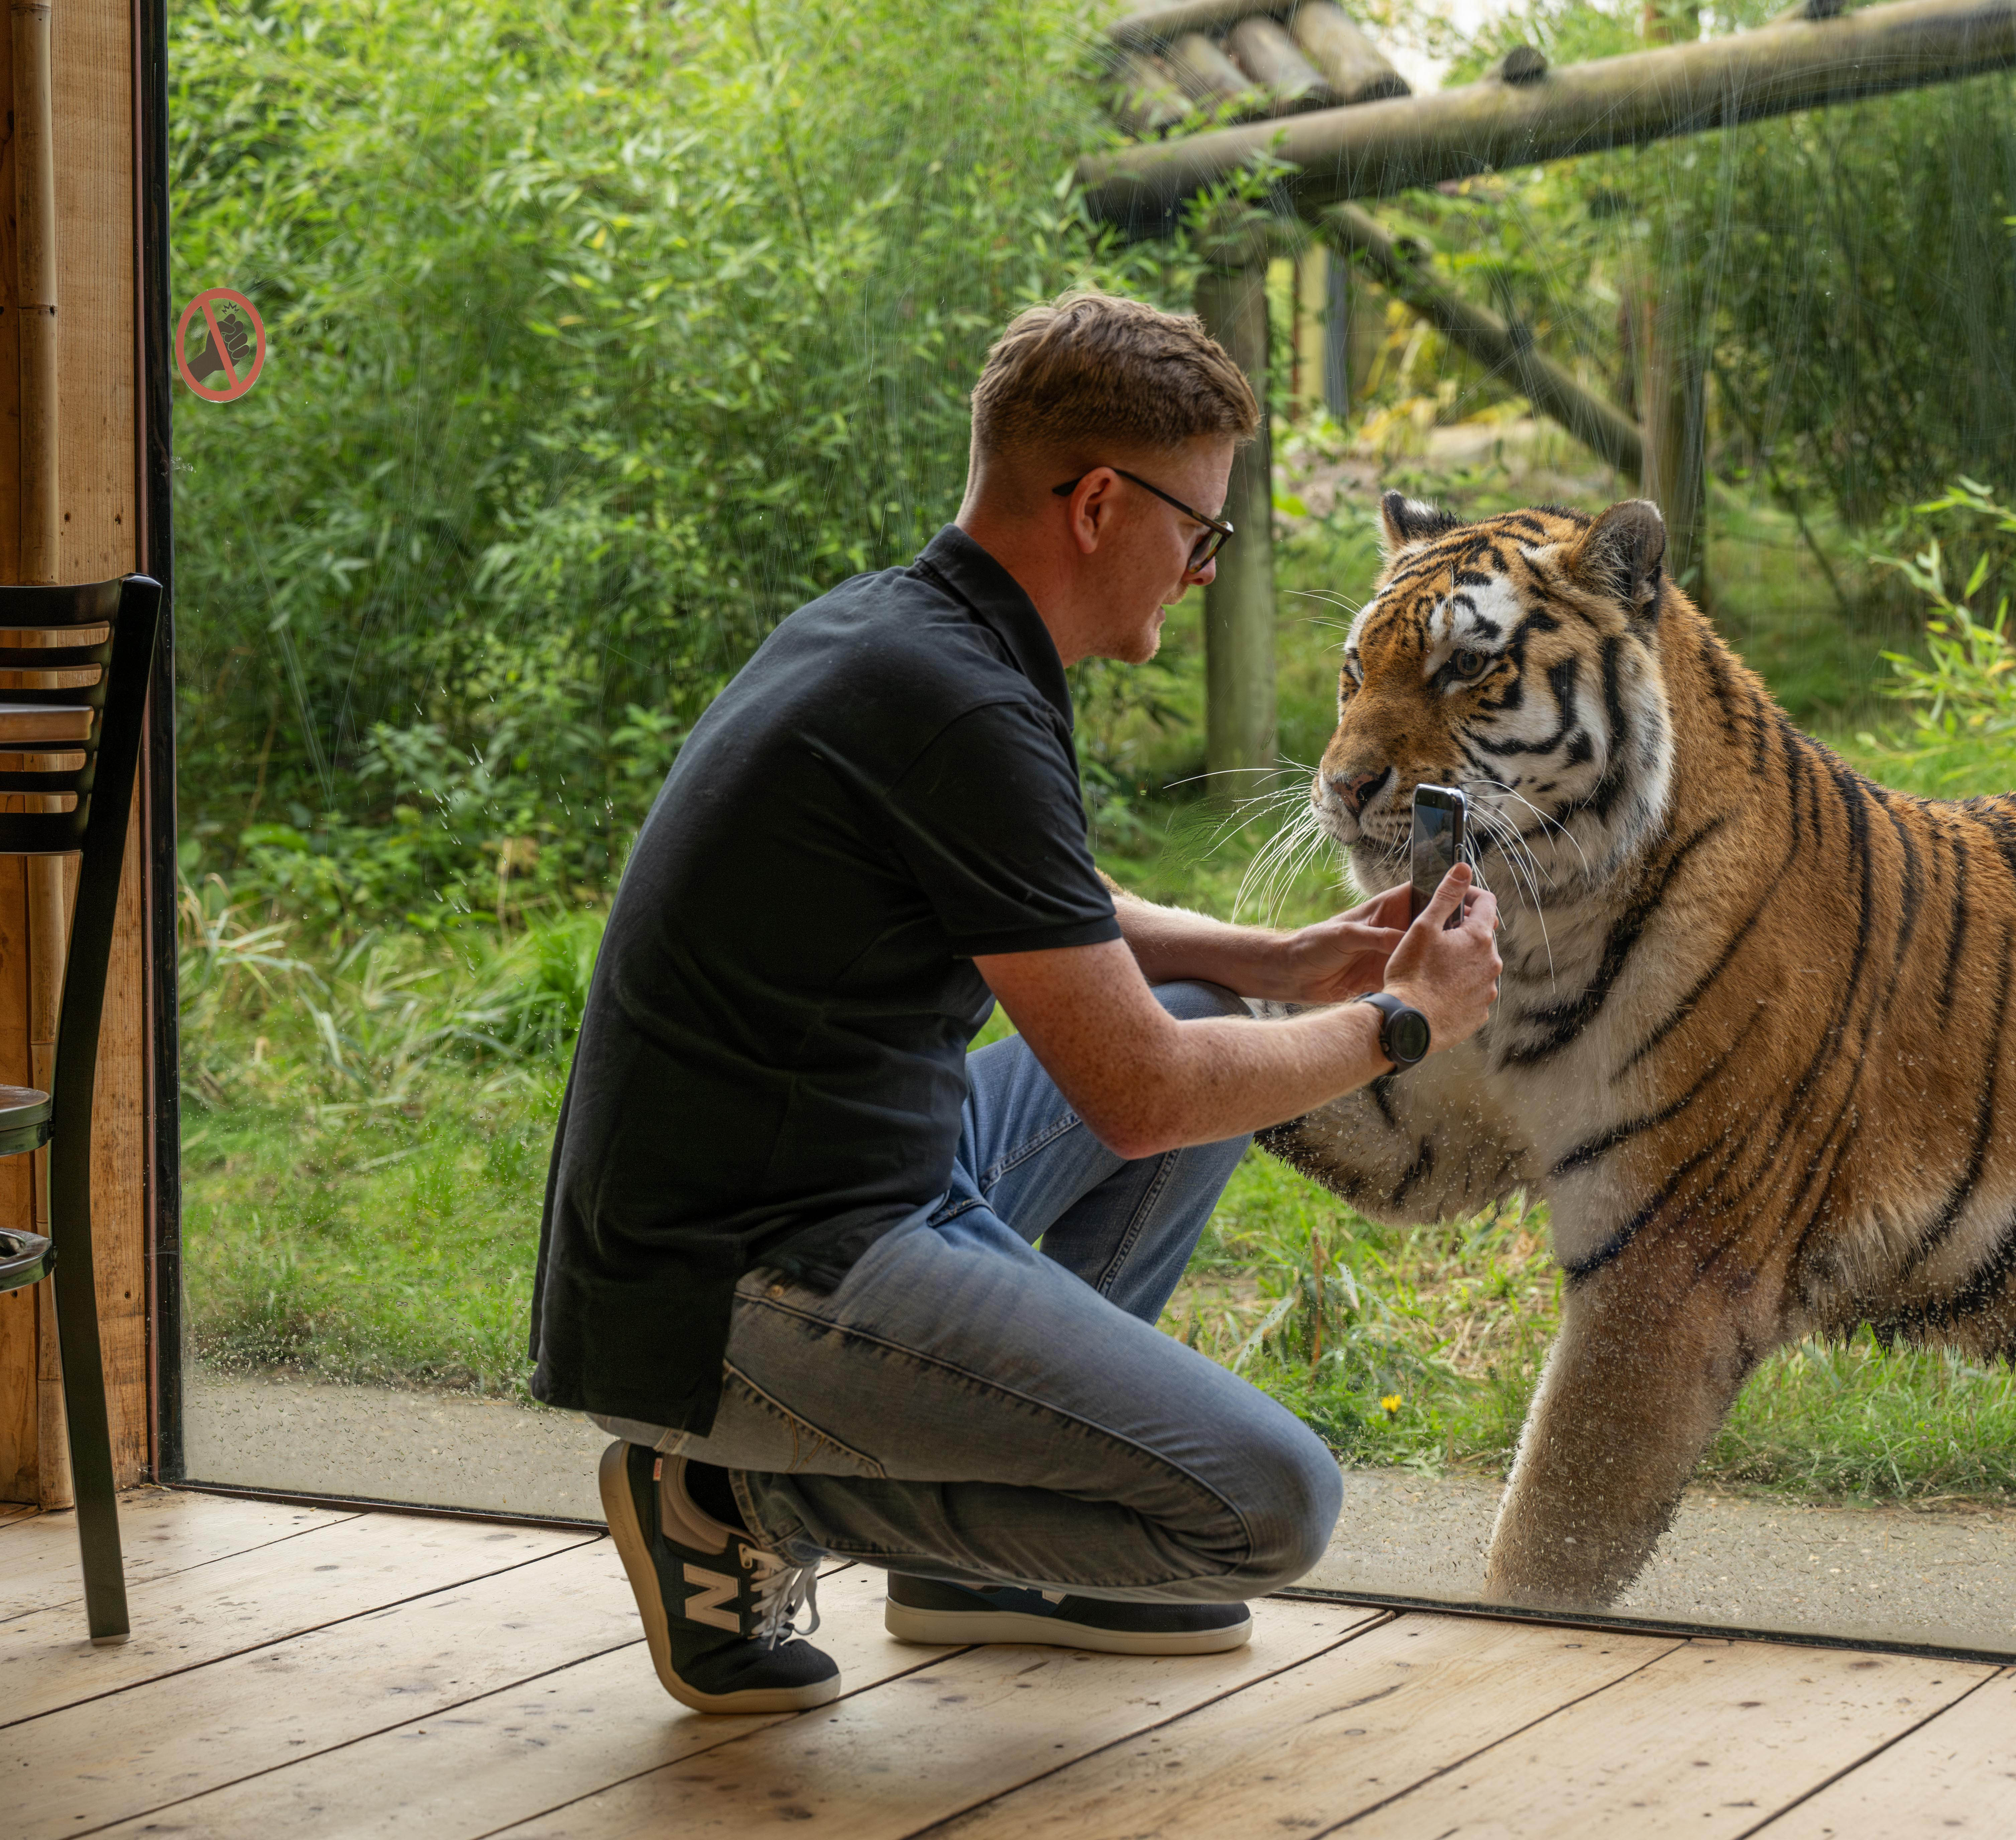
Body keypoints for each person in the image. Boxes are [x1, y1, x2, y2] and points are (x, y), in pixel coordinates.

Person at [528, 292, 1503, 1715]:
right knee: (1266, 1504)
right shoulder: (959, 702)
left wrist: (1282, 960)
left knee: (1215, 1012)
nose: (1204, 572)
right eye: (1203, 532)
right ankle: (727, 1497)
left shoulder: (911, 636)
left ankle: (967, 1559)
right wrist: (1401, 1018)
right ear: (1102, 503)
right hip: (738, 1283)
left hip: (843, 1174)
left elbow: (1061, 904)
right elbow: (1142, 1093)